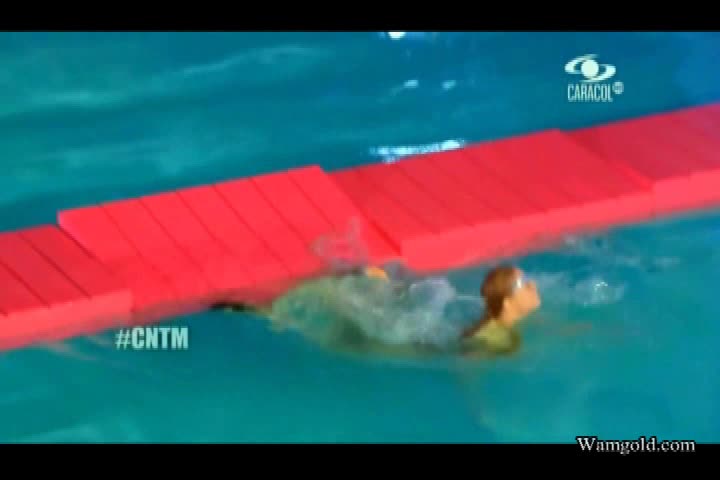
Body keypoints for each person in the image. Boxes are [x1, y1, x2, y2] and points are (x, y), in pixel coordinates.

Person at [460, 264, 541, 356]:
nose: (532, 284)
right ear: (507, 302)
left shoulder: (507, 323)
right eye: (522, 283)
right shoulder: (497, 340)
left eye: (526, 278)